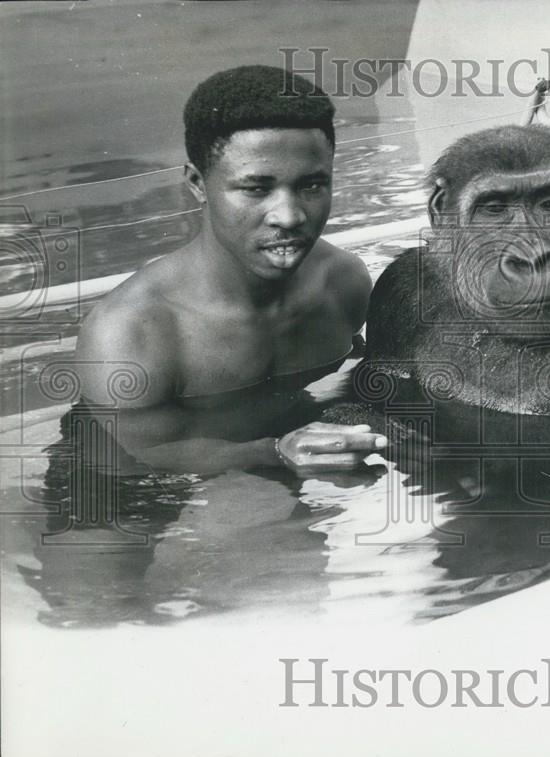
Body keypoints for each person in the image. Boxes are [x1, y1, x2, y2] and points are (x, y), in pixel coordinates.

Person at [73, 65, 386, 476]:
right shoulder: (131, 334)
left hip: (291, 442)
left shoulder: (343, 282)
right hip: (132, 475)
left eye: (312, 185)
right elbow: (148, 455)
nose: (289, 217)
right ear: (197, 184)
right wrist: (273, 452)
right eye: (256, 188)